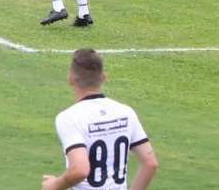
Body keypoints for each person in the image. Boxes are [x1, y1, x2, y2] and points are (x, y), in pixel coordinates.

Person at [42, 49, 158, 190]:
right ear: (104, 77)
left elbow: (80, 170)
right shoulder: (126, 112)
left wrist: (55, 185)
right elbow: (150, 163)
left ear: (71, 79)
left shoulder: (69, 118)